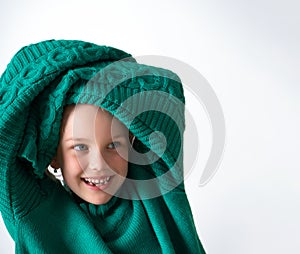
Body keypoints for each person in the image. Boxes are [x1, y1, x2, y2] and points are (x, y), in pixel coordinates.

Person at [0, 39, 206, 253]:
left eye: (113, 145)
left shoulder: (155, 185)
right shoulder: (36, 213)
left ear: (131, 143)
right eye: (80, 147)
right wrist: (64, 79)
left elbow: (166, 88)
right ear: (54, 155)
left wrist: (89, 81)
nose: (99, 165)